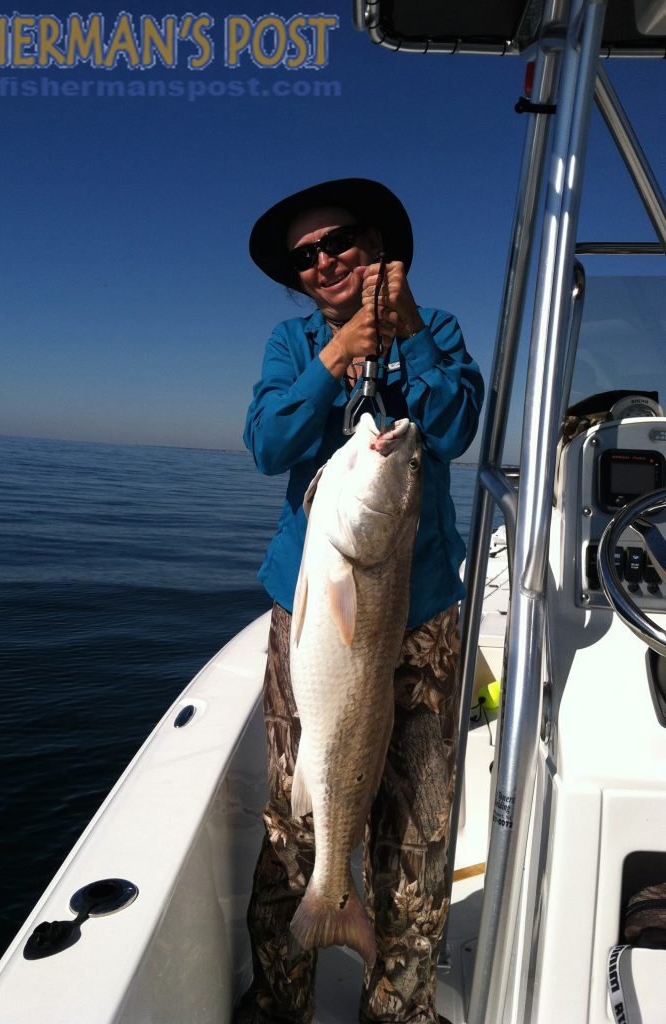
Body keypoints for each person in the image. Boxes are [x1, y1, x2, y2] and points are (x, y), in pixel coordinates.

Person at [238, 178, 484, 1024]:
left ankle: (399, 1008)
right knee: (293, 828)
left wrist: (404, 328)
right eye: (304, 257)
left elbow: (451, 428)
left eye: (337, 241)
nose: (323, 261)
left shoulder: (436, 331)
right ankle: (280, 999)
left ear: (378, 244)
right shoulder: (292, 342)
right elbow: (269, 442)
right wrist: (337, 353)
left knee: (416, 832)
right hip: (314, 613)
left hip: (417, 621)